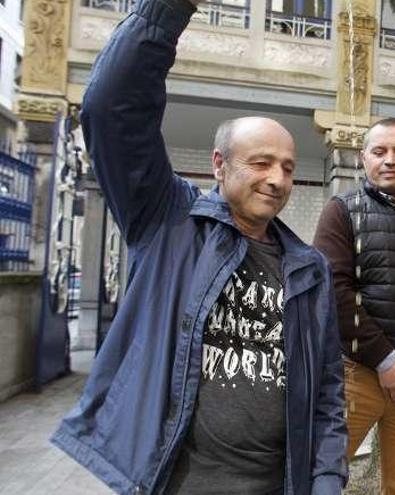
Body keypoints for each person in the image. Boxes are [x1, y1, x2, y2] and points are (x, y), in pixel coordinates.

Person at [49, 0, 347, 493]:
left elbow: (327, 392)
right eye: (261, 162)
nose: (277, 179)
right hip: (178, 481)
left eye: (289, 168)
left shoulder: (307, 268)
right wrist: (167, 9)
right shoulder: (170, 223)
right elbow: (111, 109)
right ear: (219, 164)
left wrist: (328, 480)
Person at [313, 118, 395, 494]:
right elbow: (334, 293)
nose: (389, 160)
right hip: (357, 374)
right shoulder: (342, 210)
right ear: (364, 157)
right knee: (320, 474)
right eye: (379, 152)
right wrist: (386, 360)